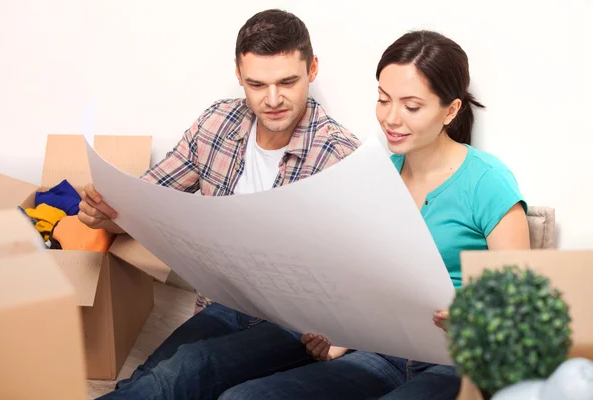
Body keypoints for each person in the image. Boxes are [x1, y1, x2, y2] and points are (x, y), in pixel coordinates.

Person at [214, 31, 532, 400]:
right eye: (383, 100)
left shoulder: (487, 181)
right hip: (380, 354)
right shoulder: (378, 174)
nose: (391, 118)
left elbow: (519, 310)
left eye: (411, 107)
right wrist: (340, 338)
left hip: (456, 363)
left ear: (451, 110)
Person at [78, 9, 361, 400]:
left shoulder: (342, 157)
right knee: (149, 377)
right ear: (238, 73)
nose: (273, 99)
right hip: (224, 304)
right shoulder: (217, 124)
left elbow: (364, 274)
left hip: (293, 322)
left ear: (312, 69)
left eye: (288, 82)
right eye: (257, 84)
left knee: (180, 375)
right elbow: (144, 202)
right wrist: (103, 214)